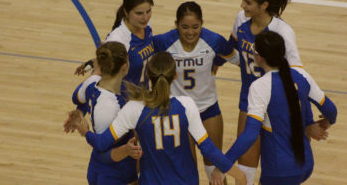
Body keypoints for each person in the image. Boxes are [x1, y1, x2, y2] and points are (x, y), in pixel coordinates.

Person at [66, 52, 247, 185]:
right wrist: (237, 174)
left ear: (149, 76)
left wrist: (86, 132)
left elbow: (101, 144)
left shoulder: (134, 108)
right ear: (175, 75)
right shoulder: (186, 104)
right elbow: (207, 149)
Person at [228, 0, 337, 183]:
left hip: (277, 106)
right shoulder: (241, 19)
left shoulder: (283, 32)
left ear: (264, 5)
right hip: (249, 100)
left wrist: (307, 123)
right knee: (245, 167)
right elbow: (232, 47)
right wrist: (214, 65)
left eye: (248, 2)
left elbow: (298, 80)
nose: (242, 5)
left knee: (280, 167)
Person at [153, 1, 239, 182]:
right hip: (178, 114)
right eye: (184, 27)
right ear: (176, 24)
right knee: (187, 172)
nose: (190, 32)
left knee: (215, 170)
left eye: (195, 26)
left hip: (208, 110)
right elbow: (138, 54)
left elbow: (239, 59)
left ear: (202, 23)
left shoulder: (214, 41)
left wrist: (217, 63)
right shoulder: (163, 42)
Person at [65, 41, 142, 185]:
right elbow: (103, 153)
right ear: (125, 67)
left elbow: (77, 97)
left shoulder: (92, 82)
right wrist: (85, 132)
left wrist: (78, 112)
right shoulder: (109, 106)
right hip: (115, 174)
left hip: (101, 170)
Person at [76, 0, 155, 86]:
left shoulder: (146, 25)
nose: (145, 17)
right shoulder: (118, 39)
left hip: (143, 96)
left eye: (148, 11)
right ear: (126, 12)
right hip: (124, 99)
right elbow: (100, 78)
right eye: (139, 13)